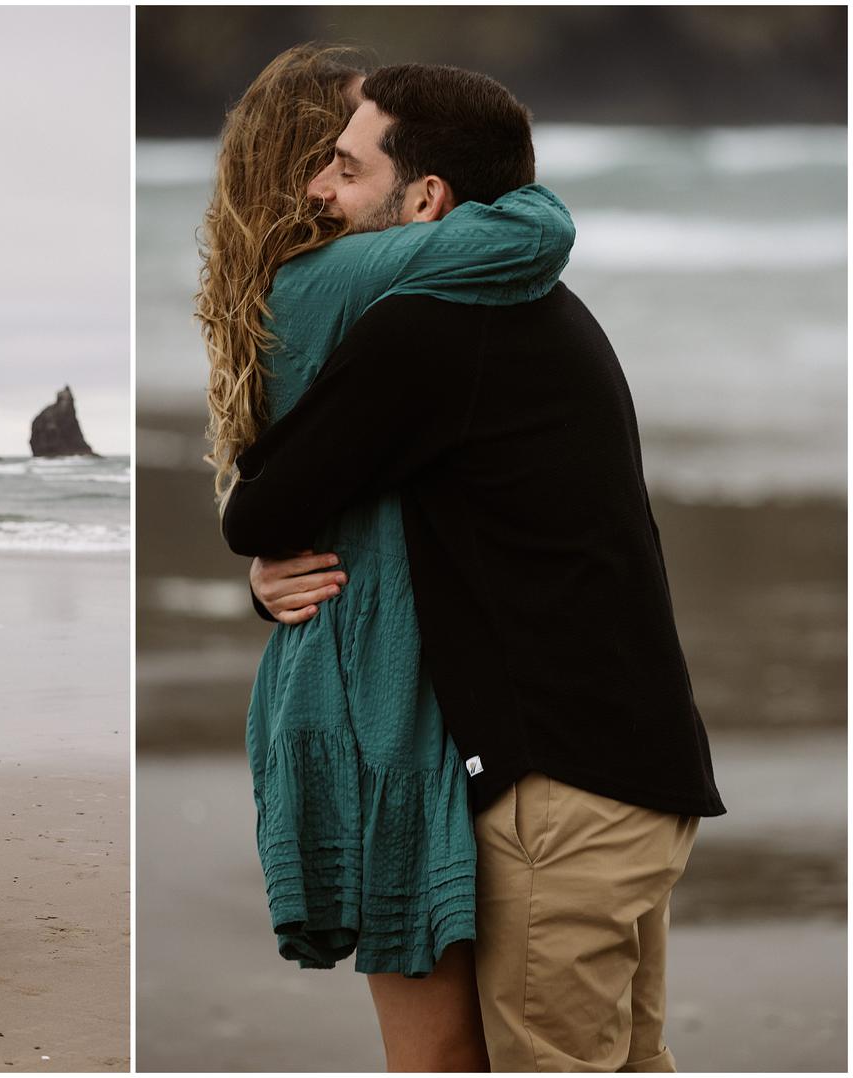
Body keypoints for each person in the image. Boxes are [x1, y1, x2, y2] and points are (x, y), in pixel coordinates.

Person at [222, 63, 725, 1072]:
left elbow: (263, 508)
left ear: (426, 201)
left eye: (347, 168)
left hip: (561, 796)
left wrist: (263, 559)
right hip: (635, 772)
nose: (319, 189)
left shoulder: (430, 327)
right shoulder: (537, 300)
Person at [197, 45, 574, 1071]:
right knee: (443, 1050)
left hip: (350, 662)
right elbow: (537, 229)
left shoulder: (284, 286)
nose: (338, 177)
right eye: (338, 156)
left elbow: (293, 489)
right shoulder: (342, 274)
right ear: (304, 168)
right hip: (385, 689)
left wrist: (258, 568)